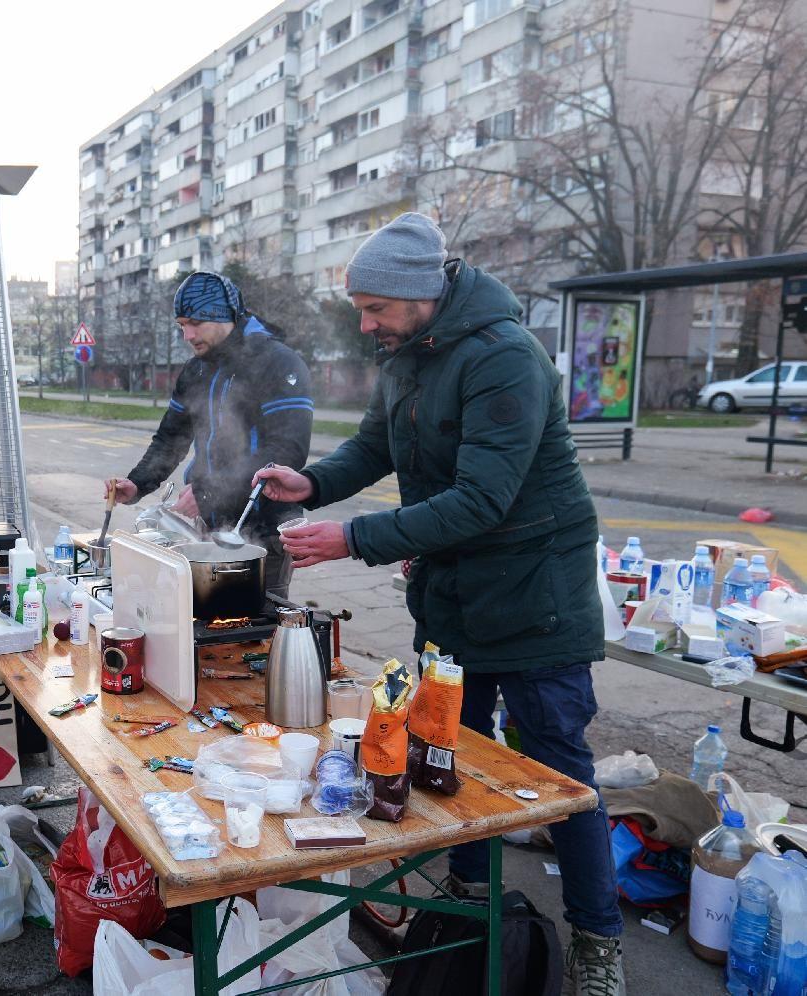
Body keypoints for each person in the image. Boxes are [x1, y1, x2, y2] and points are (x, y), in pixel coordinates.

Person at [255, 213, 624, 995]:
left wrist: (351, 537)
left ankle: (599, 941)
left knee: (562, 773)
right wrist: (314, 483)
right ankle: (467, 901)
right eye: (361, 307)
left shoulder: (505, 359)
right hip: (453, 592)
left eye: (376, 307)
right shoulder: (406, 355)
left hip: (536, 597)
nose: (365, 323)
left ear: (423, 295)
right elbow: (376, 448)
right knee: (445, 748)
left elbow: (483, 499)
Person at [106, 270, 313, 599]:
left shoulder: (278, 363)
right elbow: (170, 438)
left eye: (195, 322)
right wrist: (138, 483)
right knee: (199, 622)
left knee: (255, 633)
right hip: (206, 526)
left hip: (262, 532)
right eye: (181, 325)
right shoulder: (196, 369)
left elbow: (286, 451)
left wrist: (206, 492)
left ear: (223, 316)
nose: (187, 334)